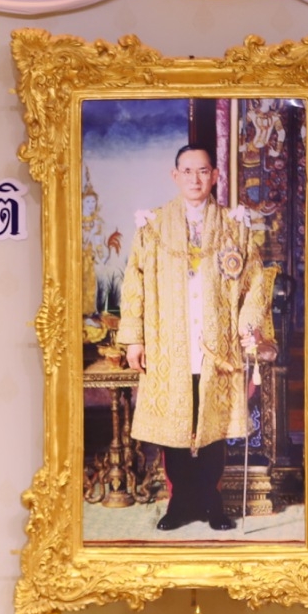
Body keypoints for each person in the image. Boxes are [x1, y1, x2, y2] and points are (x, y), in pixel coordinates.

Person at [117, 144, 272, 532]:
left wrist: (248, 327)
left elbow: (255, 283)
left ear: (215, 175)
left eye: (203, 171)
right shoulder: (152, 227)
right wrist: (134, 339)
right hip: (169, 343)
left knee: (212, 427)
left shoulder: (234, 227)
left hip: (216, 345)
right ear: (175, 176)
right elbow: (133, 284)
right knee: (175, 426)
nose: (195, 179)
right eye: (187, 171)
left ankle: (211, 501)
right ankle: (180, 503)